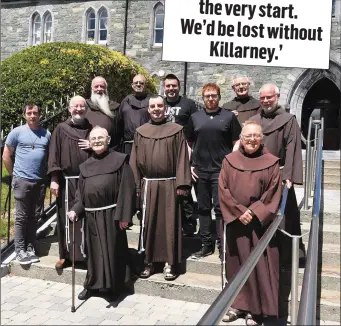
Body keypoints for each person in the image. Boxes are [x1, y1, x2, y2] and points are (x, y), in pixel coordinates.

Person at [219, 121, 282, 326]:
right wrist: (238, 211)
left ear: (262, 138)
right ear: (241, 139)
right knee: (236, 265)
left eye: (256, 136)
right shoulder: (229, 160)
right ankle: (238, 305)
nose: (252, 140)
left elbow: (273, 192)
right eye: (248, 136)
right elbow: (223, 188)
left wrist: (254, 212)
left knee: (259, 267)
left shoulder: (272, 162)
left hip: (259, 227)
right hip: (237, 223)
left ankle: (256, 310)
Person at [68, 126, 136, 301]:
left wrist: (124, 216)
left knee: (113, 251)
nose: (97, 141)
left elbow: (127, 190)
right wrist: (76, 210)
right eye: (94, 139)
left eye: (101, 138)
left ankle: (115, 286)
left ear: (108, 140)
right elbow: (80, 194)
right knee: (93, 254)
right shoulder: (84, 167)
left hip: (112, 215)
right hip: (91, 217)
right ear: (89, 143)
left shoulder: (120, 161)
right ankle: (92, 285)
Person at [129, 94, 191, 281]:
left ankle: (170, 263)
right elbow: (134, 161)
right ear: (148, 109)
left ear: (165, 108)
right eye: (152, 106)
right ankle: (148, 261)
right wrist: (136, 186)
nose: (156, 109)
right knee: (149, 224)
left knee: (169, 224)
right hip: (148, 184)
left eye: (159, 106)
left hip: (170, 184)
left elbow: (182, 157)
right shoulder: (140, 132)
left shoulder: (176, 130)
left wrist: (182, 183)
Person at [251, 83, 305, 268]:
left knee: (285, 216)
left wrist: (288, 175)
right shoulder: (253, 121)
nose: (266, 101)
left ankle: (288, 255)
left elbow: (292, 148)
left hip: (280, 175)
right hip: (257, 177)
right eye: (263, 98)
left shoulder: (288, 120)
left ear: (277, 96)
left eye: (269, 97)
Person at [187, 83, 241, 260]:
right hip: (200, 171)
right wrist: (189, 165)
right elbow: (188, 143)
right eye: (207, 96)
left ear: (219, 97)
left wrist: (230, 164)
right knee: (203, 209)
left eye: (214, 95)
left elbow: (236, 142)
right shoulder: (195, 117)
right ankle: (206, 245)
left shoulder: (228, 117)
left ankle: (222, 245)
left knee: (220, 209)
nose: (211, 99)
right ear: (203, 98)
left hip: (221, 171)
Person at [47, 96, 92, 270]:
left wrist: (92, 144)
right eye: (76, 106)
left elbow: (103, 148)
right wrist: (54, 179)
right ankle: (64, 255)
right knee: (65, 218)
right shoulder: (61, 129)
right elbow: (54, 154)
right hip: (66, 182)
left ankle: (86, 255)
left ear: (86, 109)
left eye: (82, 106)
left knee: (85, 219)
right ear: (69, 109)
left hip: (86, 181)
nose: (79, 109)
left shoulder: (91, 128)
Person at [2, 104, 51, 265]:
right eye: (29, 113)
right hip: (22, 180)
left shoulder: (46, 134)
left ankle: (30, 247)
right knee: (21, 217)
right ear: (25, 115)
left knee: (34, 216)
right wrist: (13, 175)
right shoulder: (17, 132)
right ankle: (19, 250)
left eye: (35, 112)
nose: (32, 115)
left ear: (40, 115)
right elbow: (6, 155)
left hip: (39, 181)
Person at [164, 73, 198, 236]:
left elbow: (195, 129)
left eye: (174, 86)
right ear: (164, 87)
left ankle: (189, 224)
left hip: (183, 152)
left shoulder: (189, 104)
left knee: (184, 189)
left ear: (179, 87)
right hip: (163, 153)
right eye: (168, 86)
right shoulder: (159, 104)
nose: (171, 89)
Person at [117, 74, 150, 156]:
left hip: (147, 143)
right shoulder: (125, 101)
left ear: (145, 85)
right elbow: (119, 122)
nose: (138, 84)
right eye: (136, 83)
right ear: (132, 85)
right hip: (128, 145)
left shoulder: (151, 100)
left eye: (141, 83)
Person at [85, 76, 121, 149]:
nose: (99, 89)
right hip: (88, 152)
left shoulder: (115, 107)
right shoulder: (85, 106)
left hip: (111, 150)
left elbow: (120, 131)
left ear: (106, 89)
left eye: (102, 86)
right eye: (96, 86)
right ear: (92, 88)